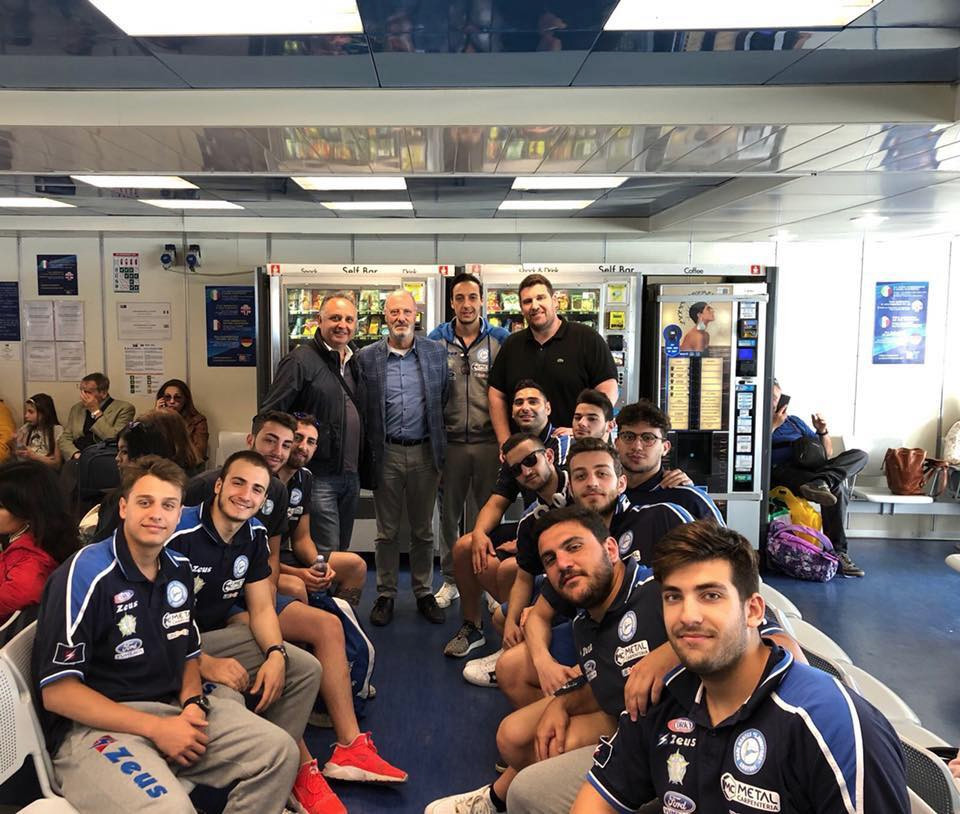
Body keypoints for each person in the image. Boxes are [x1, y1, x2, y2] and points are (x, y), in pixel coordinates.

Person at [570, 520, 909, 814]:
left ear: (753, 611)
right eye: (673, 597)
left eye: (710, 595)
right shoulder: (663, 697)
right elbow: (598, 798)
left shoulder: (829, 722)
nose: (688, 616)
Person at [32, 455, 302, 814]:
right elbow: (58, 694)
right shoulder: (85, 573)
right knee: (171, 809)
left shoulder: (178, 569)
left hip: (171, 707)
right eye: (145, 502)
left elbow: (188, 653)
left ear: (178, 516)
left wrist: (191, 704)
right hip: (93, 728)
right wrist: (155, 728)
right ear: (124, 508)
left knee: (280, 752)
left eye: (168, 505)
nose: (156, 514)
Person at [426, 505, 672, 814]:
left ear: (611, 549)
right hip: (627, 720)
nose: (563, 564)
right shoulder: (584, 623)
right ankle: (504, 794)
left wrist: (669, 653)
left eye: (574, 547)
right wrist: (563, 704)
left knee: (532, 781)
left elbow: (731, 622)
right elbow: (606, 682)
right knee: (515, 736)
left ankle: (507, 795)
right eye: (550, 559)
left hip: (676, 742)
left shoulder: (661, 592)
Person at [167, 450, 349, 814]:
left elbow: (262, 607)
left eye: (256, 489)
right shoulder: (178, 531)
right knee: (230, 694)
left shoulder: (254, 535)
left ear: (264, 498)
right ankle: (266, 774)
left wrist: (276, 654)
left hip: (211, 636)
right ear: (218, 486)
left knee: (304, 668)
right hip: (172, 645)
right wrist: (202, 662)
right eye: (238, 483)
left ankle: (279, 776)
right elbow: (154, 618)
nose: (245, 495)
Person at [356, 289, 449, 627]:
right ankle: (386, 594)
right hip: (387, 452)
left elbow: (443, 398)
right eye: (394, 312)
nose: (400, 318)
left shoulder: (435, 353)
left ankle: (424, 592)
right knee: (387, 532)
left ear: (415, 315)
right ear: (385, 316)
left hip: (425, 451)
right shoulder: (366, 357)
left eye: (406, 312)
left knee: (424, 530)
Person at [260, 291, 371, 556]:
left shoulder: (355, 361)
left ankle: (331, 585)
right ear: (319, 321)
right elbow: (270, 414)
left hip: (350, 474)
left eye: (349, 319)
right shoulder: (300, 361)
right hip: (317, 474)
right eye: (335, 318)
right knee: (324, 551)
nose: (342, 325)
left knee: (340, 549)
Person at [428, 272, 509, 609]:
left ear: (482, 301)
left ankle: (488, 581)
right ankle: (451, 580)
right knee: (448, 517)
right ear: (451, 302)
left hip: (489, 442)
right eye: (459, 298)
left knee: (487, 517)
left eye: (472, 297)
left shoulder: (500, 339)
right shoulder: (436, 340)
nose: (466, 304)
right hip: (450, 444)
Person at [488, 273, 618, 438]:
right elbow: (496, 395)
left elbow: (608, 388)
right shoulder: (512, 344)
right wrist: (505, 441)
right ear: (521, 308)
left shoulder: (587, 338)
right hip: (524, 447)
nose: (535, 306)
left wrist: (579, 429)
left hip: (576, 445)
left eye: (540, 298)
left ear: (554, 301)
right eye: (527, 301)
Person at [770, 379, 868, 577]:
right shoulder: (755, 423)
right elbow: (754, 454)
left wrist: (822, 431)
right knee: (837, 488)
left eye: (778, 398)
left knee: (860, 455)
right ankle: (838, 551)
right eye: (772, 398)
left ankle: (823, 481)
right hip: (784, 471)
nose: (776, 402)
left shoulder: (795, 421)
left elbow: (826, 453)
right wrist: (773, 425)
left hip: (814, 469)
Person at [277, 412, 367, 606]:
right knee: (296, 586)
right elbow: (258, 556)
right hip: (257, 564)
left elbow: (301, 539)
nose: (303, 447)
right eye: (298, 438)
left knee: (355, 566)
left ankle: (341, 614)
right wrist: (299, 573)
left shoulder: (305, 478)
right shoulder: (262, 481)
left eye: (310, 442)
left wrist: (318, 565)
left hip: (283, 557)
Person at [615, 400, 726, 521]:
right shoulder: (607, 493)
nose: (637, 446)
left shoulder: (688, 499)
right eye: (628, 437)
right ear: (616, 443)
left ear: (665, 448)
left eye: (648, 438)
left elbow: (721, 534)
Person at [0, 459, 77, 628]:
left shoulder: (32, 560)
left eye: (1, 507)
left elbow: (24, 591)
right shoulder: (46, 540)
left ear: (27, 511)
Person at [59, 373, 135, 462]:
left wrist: (95, 411)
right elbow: (65, 438)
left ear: (103, 393)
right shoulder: (77, 408)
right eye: (81, 391)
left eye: (88, 392)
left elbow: (113, 439)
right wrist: (75, 454)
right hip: (78, 456)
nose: (83, 396)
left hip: (104, 457)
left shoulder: (124, 409)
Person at [155, 378, 209, 463]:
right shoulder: (155, 419)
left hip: (186, 466)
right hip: (159, 465)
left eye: (177, 397)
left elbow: (200, 454)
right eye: (167, 397)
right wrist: (157, 416)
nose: (172, 401)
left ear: (185, 400)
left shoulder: (197, 421)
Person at [13, 393, 63, 469]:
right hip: (27, 468)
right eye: (26, 412)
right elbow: (20, 457)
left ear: (44, 413)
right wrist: (16, 443)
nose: (26, 416)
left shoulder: (57, 430)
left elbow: (57, 464)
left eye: (31, 412)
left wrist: (33, 456)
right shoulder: (27, 427)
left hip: (44, 471)